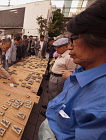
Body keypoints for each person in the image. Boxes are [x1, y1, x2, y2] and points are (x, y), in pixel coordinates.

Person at [39, 0, 106, 139]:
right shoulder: (80, 72)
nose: (70, 47)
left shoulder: (102, 101)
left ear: (98, 38)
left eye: (73, 40)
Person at [41, 38, 78, 117]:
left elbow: (71, 71)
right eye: (55, 47)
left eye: (58, 47)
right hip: (54, 77)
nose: (56, 49)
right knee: (51, 94)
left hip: (59, 79)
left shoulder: (68, 57)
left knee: (56, 96)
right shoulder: (61, 54)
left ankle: (51, 114)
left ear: (66, 46)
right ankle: (49, 107)